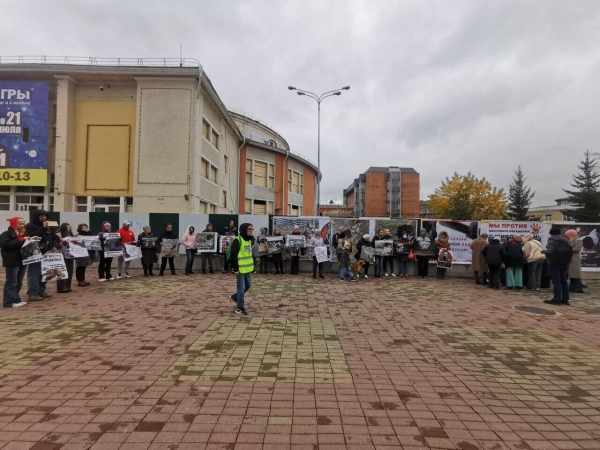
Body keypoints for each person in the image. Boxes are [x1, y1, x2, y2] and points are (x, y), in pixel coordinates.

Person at [26, 209, 58, 301]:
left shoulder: (49, 226)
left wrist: (54, 246)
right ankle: (32, 293)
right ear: (36, 216)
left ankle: (41, 290)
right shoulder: (30, 226)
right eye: (41, 216)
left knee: (44, 272)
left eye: (45, 215)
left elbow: (53, 237)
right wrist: (43, 228)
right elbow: (34, 236)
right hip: (35, 252)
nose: (43, 217)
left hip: (46, 252)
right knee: (34, 273)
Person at [1, 217, 27, 308]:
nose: (22, 225)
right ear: (14, 224)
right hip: (12, 260)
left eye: (23, 223)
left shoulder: (22, 234)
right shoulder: (6, 234)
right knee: (11, 282)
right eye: (20, 223)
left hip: (22, 260)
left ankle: (15, 298)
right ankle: (8, 302)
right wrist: (21, 239)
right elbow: (6, 246)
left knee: (19, 281)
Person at [543, 227, 573, 305]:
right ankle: (565, 300)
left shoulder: (552, 239)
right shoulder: (566, 240)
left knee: (556, 282)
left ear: (551, 233)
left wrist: (542, 251)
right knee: (564, 281)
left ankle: (556, 299)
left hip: (554, 262)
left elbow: (550, 251)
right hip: (565, 262)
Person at [228, 223, 254, 315]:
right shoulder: (237, 240)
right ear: (244, 230)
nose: (251, 231)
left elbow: (248, 254)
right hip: (239, 269)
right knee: (241, 287)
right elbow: (233, 256)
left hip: (247, 268)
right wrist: (235, 269)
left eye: (252, 229)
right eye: (249, 229)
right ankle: (240, 307)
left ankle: (235, 297)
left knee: (248, 284)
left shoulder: (249, 240)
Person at [57, 223, 75, 293]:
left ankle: (68, 286)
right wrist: (59, 244)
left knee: (70, 270)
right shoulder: (58, 235)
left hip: (70, 254)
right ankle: (61, 287)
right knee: (62, 270)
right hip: (62, 255)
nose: (68, 229)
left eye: (69, 227)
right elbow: (56, 244)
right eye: (67, 227)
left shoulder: (71, 235)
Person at [565, 229, 584, 294]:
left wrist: (567, 248)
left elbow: (577, 249)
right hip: (571, 259)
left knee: (576, 274)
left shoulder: (578, 240)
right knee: (571, 274)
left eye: (567, 235)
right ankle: (572, 287)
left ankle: (579, 287)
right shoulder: (571, 240)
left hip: (575, 259)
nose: (567, 236)